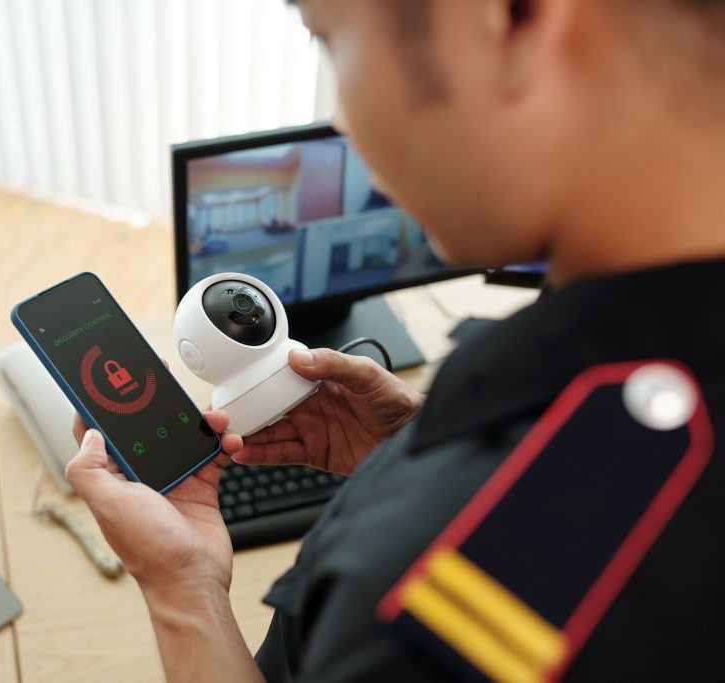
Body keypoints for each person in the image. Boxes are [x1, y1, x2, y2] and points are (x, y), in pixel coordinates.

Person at [66, 0, 725, 680]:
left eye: (328, 37)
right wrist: (415, 449)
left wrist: (182, 587)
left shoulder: (427, 605)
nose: (343, 123)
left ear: (514, 18)